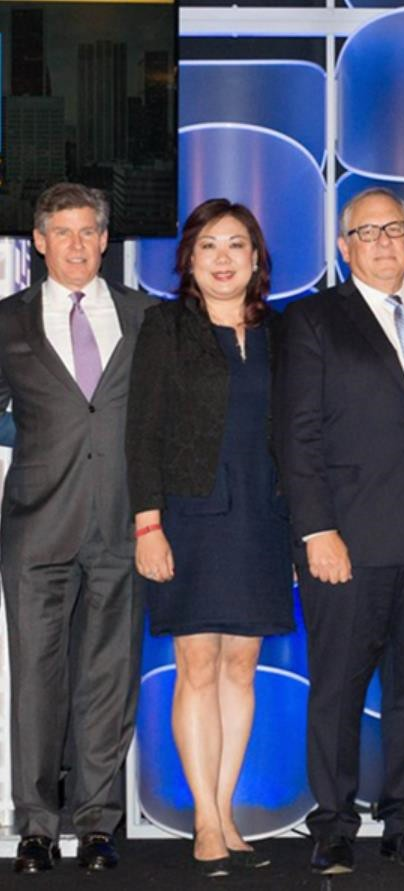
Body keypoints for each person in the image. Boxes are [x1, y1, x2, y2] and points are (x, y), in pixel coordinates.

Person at [277, 187, 404, 876]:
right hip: (346, 542)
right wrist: (316, 530)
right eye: (368, 231)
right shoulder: (311, 321)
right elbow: (297, 439)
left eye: (396, 228)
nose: (385, 240)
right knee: (337, 686)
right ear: (343, 245)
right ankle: (332, 824)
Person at [125, 199, 294, 876]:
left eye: (236, 245)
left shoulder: (283, 332)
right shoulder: (164, 327)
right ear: (189, 261)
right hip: (190, 516)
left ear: (257, 259)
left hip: (263, 516)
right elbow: (142, 433)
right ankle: (202, 818)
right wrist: (148, 523)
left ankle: (226, 813)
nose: (223, 259)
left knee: (242, 666)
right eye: (208, 247)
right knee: (197, 665)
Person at [0, 183, 155, 874]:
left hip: (124, 527)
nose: (77, 244)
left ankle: (96, 823)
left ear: (104, 238)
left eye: (89, 230)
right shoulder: (7, 322)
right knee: (36, 679)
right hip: (36, 530)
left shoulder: (147, 315)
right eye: (62, 231)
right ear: (38, 241)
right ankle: (35, 827)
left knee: (108, 679)